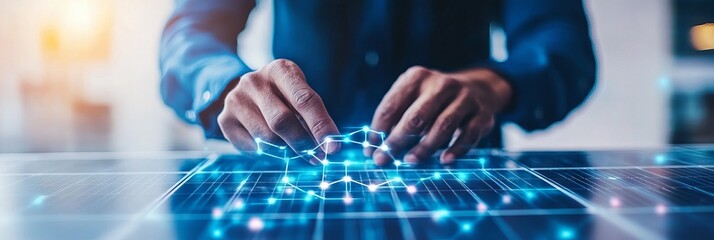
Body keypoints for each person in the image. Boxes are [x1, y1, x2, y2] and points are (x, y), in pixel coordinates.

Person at [159, 0, 596, 165]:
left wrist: (491, 84)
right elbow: (191, 32)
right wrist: (226, 84)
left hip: (453, 168)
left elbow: (562, 42)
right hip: (297, 172)